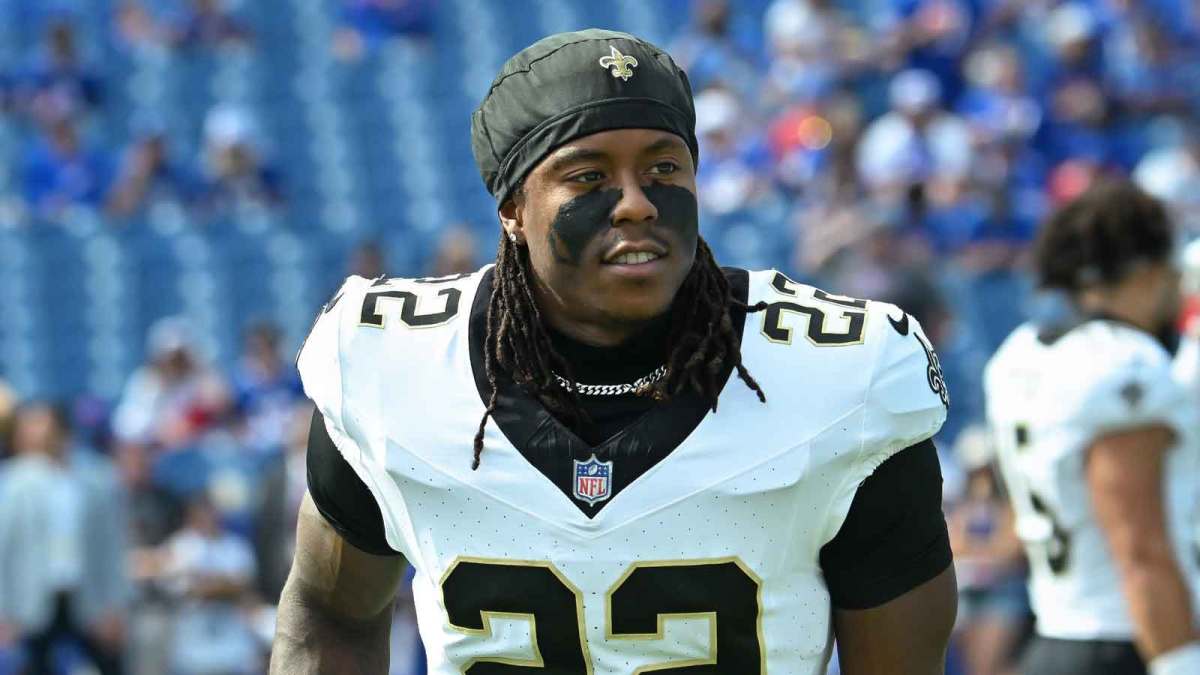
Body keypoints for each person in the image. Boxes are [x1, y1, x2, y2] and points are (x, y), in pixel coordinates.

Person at [272, 29, 956, 674]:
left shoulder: (840, 378)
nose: (636, 203)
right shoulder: (393, 365)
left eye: (664, 166)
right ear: (512, 209)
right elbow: (329, 613)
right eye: (588, 176)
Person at [984, 180, 1200, 675]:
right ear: (1146, 273)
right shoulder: (1122, 363)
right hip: (1130, 639)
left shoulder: (1021, 352)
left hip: (1055, 634)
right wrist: (1180, 662)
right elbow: (1140, 549)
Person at [0, 402, 129, 675]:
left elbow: (112, 546)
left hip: (87, 598)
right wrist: (4, 611)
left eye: (38, 423)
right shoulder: (14, 481)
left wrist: (114, 606)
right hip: (34, 601)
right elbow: (5, 549)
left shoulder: (97, 477)